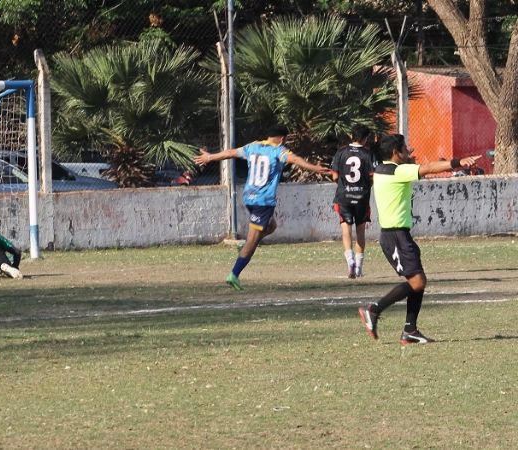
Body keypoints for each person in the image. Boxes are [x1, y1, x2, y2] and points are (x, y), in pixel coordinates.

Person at [358, 134, 480, 345]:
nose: (408, 151)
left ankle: (410, 331)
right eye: (404, 148)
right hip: (395, 235)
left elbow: (412, 165)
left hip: (398, 234)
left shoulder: (381, 169)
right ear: (396, 152)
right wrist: (457, 162)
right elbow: (430, 168)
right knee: (417, 281)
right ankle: (374, 310)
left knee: (418, 281)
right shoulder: (398, 171)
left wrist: (407, 156)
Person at [194, 125, 331, 290]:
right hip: (263, 201)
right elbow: (295, 160)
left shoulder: (253, 146)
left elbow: (230, 153)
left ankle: (245, 244)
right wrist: (316, 168)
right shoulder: (279, 151)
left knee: (271, 226)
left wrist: (210, 157)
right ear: (282, 138)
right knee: (253, 241)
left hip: (249, 197)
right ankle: (234, 274)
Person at [330, 125, 377, 278]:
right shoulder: (368, 154)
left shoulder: (341, 152)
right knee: (361, 231)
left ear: (351, 135)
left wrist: (345, 187)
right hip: (362, 198)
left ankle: (350, 261)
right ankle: (359, 268)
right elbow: (373, 176)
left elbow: (335, 176)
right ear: (366, 138)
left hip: (344, 197)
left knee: (346, 229)